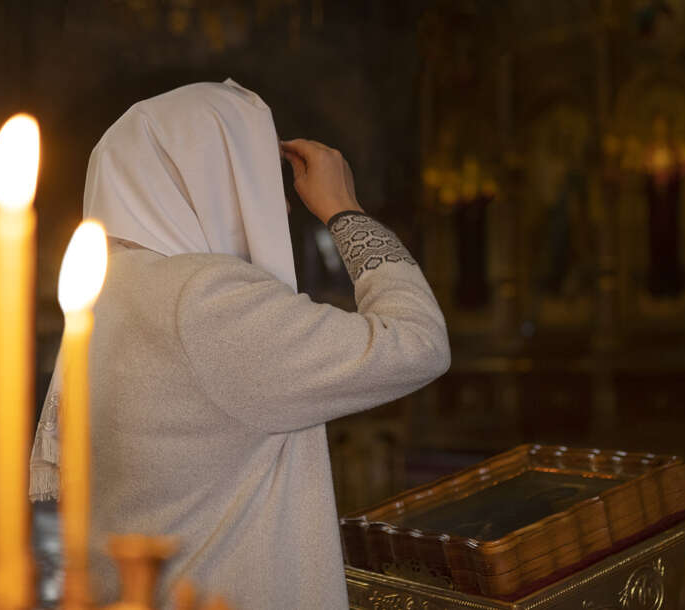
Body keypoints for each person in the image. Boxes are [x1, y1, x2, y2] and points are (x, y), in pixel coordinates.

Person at [29, 79, 450, 609]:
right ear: (215, 181)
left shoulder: (105, 293)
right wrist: (345, 210)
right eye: (258, 179)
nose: (283, 206)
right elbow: (417, 342)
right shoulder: (203, 299)